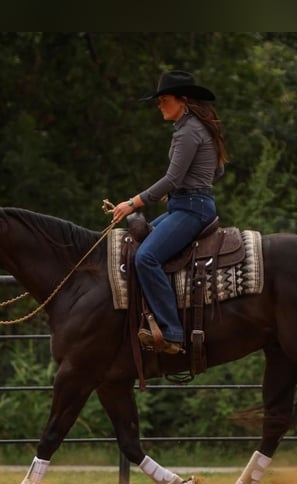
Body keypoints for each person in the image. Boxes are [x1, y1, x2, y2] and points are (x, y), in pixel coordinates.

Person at [111, 70, 228, 354]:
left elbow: (173, 178)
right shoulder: (195, 128)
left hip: (191, 209)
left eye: (164, 100)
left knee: (146, 256)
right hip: (187, 204)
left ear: (182, 101)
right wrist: (185, 187)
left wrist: (133, 202)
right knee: (143, 240)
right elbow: (217, 171)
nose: (160, 105)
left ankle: (172, 332)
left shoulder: (189, 131)